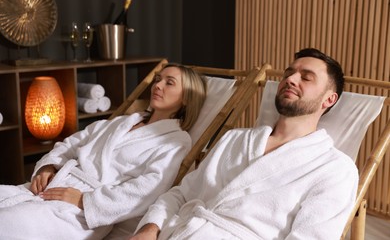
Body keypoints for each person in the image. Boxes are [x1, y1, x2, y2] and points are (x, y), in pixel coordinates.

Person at [131, 48, 359, 240]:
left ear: (329, 99)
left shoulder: (336, 169)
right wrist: (149, 229)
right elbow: (181, 194)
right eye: (288, 73)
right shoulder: (235, 139)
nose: (290, 79)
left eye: (306, 77)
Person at [0, 64, 207, 239]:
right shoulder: (122, 122)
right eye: (158, 79)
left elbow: (146, 189)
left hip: (81, 212)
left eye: (169, 82)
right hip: (52, 185)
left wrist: (83, 200)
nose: (158, 85)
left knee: (7, 223)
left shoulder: (176, 140)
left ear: (187, 98)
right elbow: (72, 142)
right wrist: (47, 166)